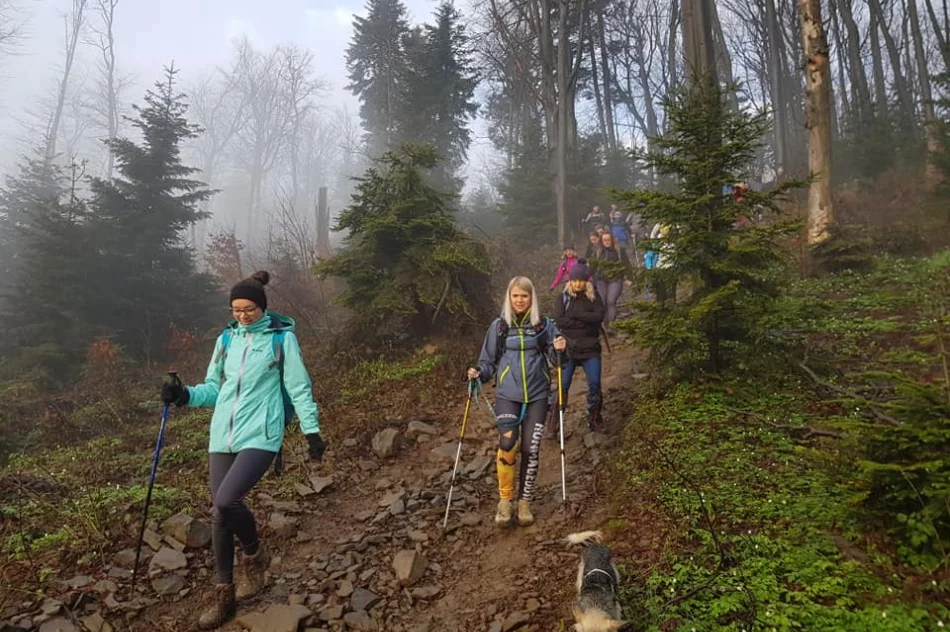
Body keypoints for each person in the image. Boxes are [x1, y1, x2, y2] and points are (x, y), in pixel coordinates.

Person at [161, 271, 326, 630]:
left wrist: (311, 431)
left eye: (248, 308)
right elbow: (214, 388)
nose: (242, 315)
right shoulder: (226, 340)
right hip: (223, 435)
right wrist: (185, 395)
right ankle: (225, 594)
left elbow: (299, 387)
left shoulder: (281, 340)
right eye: (235, 309)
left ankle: (253, 554)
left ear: (262, 307)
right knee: (220, 513)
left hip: (261, 434)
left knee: (226, 500)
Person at [468, 277, 566, 527]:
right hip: (507, 396)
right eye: (515, 296)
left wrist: (560, 348)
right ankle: (505, 500)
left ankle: (525, 502)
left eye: (524, 296)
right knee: (508, 443)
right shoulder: (499, 327)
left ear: (531, 298)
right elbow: (488, 361)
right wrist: (478, 372)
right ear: (509, 298)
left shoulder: (544, 326)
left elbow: (557, 361)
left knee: (531, 450)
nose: (520, 300)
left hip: (537, 395)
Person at [545, 260, 606, 435]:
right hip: (568, 349)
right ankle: (555, 421)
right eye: (575, 280)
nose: (578, 283)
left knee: (594, 383)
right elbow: (560, 320)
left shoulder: (594, 296)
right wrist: (586, 321)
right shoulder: (562, 298)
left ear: (587, 280)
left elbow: (599, 316)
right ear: (569, 280)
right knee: (563, 386)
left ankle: (594, 416)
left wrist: (577, 316)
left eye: (581, 280)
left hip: (590, 349)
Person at [591, 233, 633, 327]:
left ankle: (611, 324)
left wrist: (629, 278)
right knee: (602, 301)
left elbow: (627, 265)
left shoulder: (619, 251)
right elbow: (593, 267)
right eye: (604, 240)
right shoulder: (598, 251)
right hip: (601, 279)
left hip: (615, 278)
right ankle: (604, 323)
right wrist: (588, 279)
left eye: (608, 240)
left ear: (612, 240)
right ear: (601, 241)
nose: (606, 242)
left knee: (611, 301)